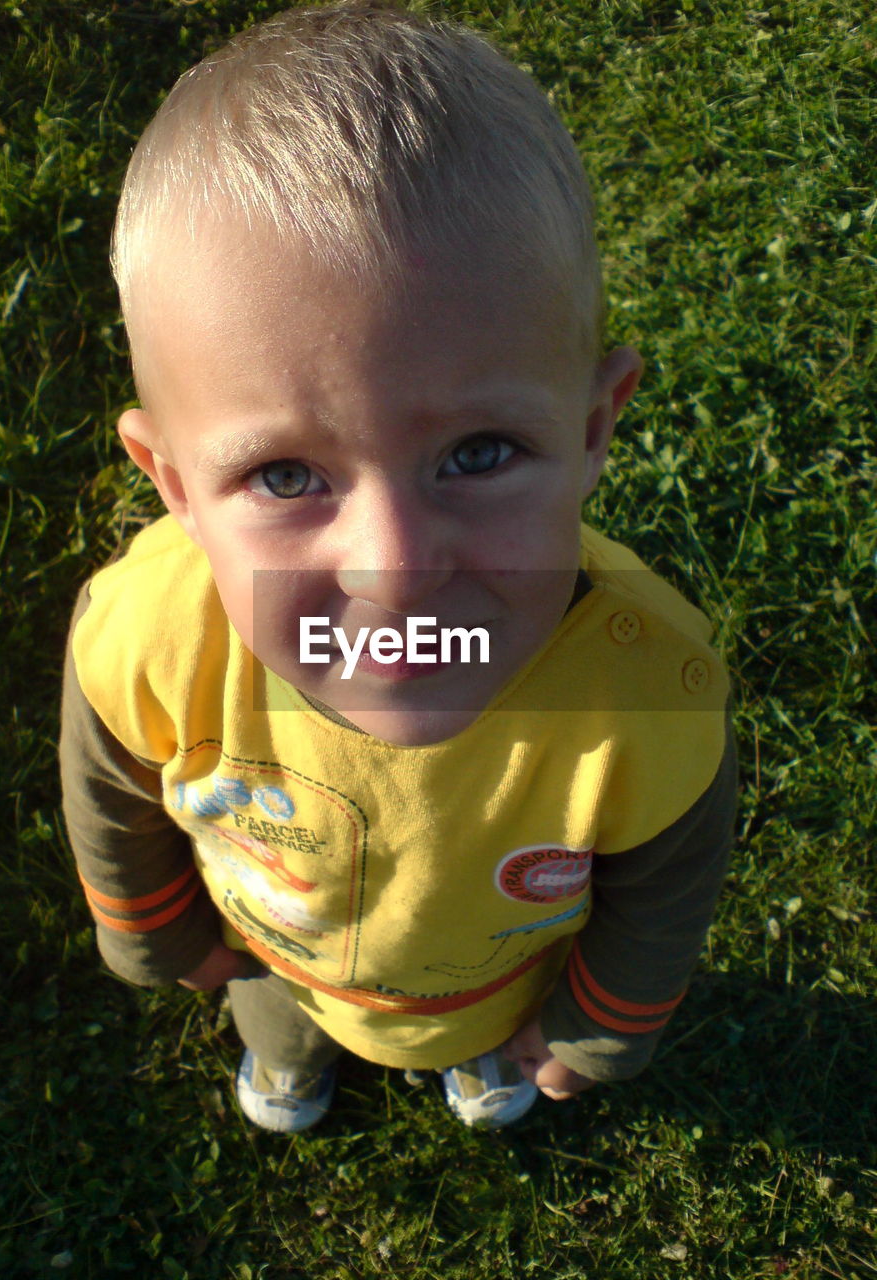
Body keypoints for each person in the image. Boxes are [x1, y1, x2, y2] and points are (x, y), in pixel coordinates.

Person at [60, 0, 737, 1133]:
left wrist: (594, 1026)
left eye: (478, 454)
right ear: (173, 484)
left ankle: (476, 1055)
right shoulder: (148, 638)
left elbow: (659, 897)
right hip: (273, 952)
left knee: (480, 1031)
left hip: (495, 979)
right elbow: (111, 794)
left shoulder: (647, 694)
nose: (397, 571)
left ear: (591, 429)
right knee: (273, 1011)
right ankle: (290, 1056)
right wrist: (156, 935)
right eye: (284, 476)